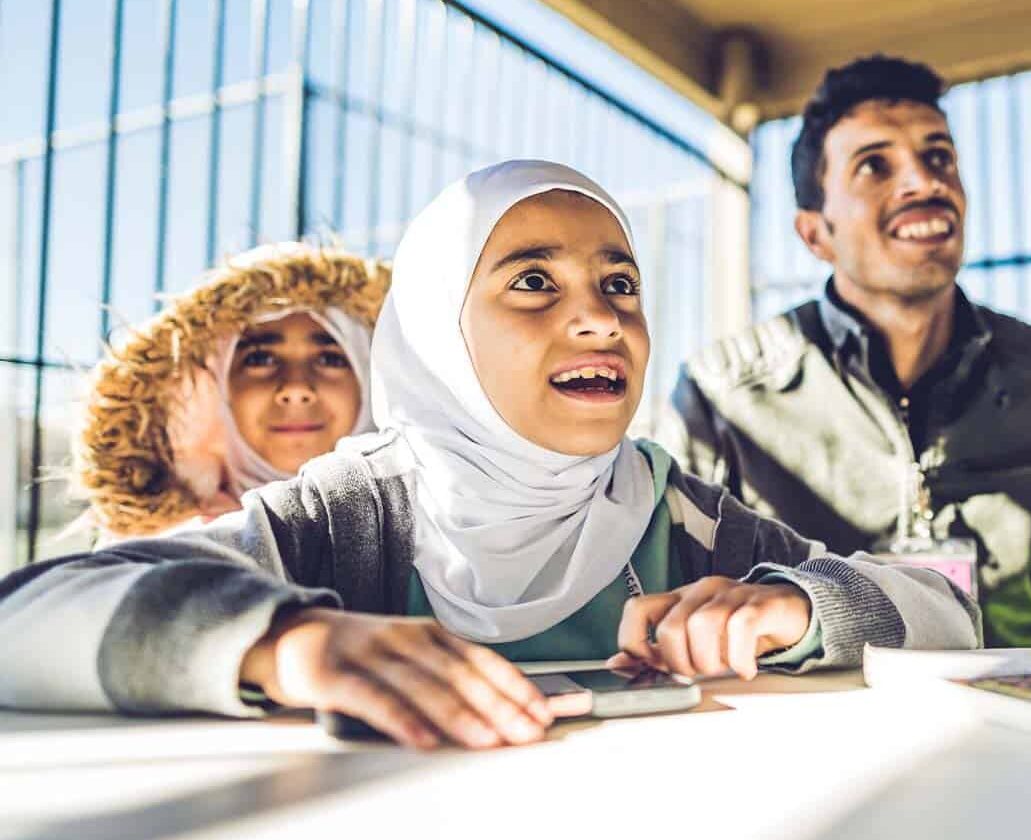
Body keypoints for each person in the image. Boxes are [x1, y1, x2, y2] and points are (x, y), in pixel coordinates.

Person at [0, 160, 980, 751]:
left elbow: (947, 611)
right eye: (533, 283)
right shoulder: (346, 515)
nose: (599, 318)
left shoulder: (676, 511)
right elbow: (25, 617)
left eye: (620, 284)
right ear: (435, 339)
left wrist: (798, 605)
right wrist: (286, 643)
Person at [660, 55, 1031, 648]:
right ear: (815, 234)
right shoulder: (721, 395)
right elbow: (673, 609)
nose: (924, 182)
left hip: (1013, 700)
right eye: (874, 165)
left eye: (938, 157)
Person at [74, 243, 388, 538]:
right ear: (217, 387)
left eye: (330, 359)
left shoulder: (414, 540)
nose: (296, 388)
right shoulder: (166, 544)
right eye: (260, 359)